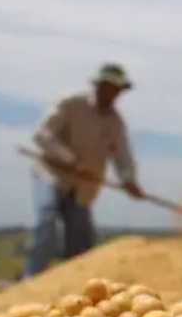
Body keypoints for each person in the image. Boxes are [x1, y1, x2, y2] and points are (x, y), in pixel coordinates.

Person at [25, 63, 144, 277]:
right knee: (47, 219)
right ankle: (31, 280)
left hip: (84, 186)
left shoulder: (115, 123)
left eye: (116, 89)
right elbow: (42, 135)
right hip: (51, 174)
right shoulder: (71, 104)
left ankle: (76, 287)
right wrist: (70, 160)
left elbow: (122, 157)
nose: (111, 93)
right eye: (107, 86)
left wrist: (129, 180)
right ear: (98, 85)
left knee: (81, 241)